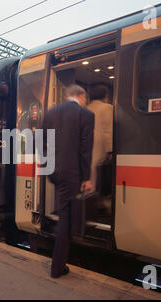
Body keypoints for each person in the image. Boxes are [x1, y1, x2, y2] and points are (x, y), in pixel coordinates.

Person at [41, 84, 94, 278]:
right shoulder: (85, 115)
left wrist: (47, 165)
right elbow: (85, 149)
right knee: (66, 218)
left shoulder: (51, 112)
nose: (85, 102)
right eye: (85, 99)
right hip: (72, 173)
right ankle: (57, 267)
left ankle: (61, 260)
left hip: (54, 170)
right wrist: (86, 177)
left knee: (65, 212)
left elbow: (41, 141)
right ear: (81, 95)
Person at [86, 85, 113, 193]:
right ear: (105, 96)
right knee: (98, 175)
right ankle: (96, 202)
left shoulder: (86, 108)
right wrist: (110, 150)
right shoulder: (107, 107)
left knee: (89, 174)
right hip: (99, 146)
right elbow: (108, 131)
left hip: (86, 146)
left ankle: (89, 200)